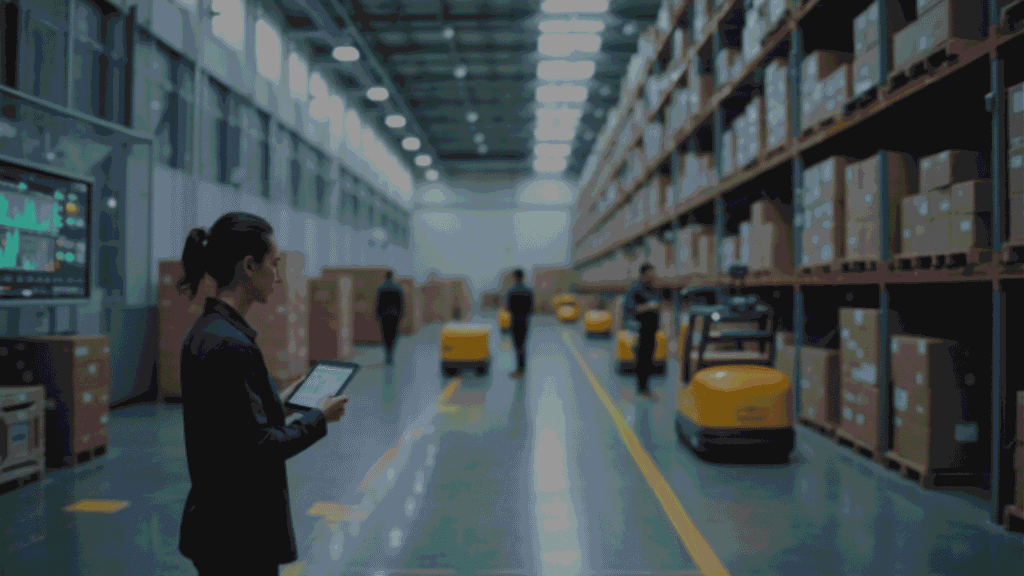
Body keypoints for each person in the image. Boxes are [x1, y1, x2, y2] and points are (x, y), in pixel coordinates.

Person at [174, 212, 349, 576]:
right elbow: (258, 447)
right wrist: (318, 418)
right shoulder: (230, 345)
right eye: (275, 264)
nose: (279, 276)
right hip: (239, 537)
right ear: (250, 266)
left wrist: (279, 401)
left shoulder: (208, 331)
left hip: (219, 525)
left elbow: (228, 423)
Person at [624, 263, 667, 400]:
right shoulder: (635, 290)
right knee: (642, 359)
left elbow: (659, 304)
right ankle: (642, 388)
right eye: (650, 273)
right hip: (640, 329)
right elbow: (631, 309)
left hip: (652, 330)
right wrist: (649, 307)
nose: (653, 275)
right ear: (643, 274)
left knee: (649, 358)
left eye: (654, 272)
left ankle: (645, 386)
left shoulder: (653, 289)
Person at [505, 268, 534, 378]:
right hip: (525, 321)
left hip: (515, 321)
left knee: (517, 347)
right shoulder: (529, 291)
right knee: (523, 346)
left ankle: (519, 371)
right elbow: (531, 309)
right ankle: (522, 370)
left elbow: (508, 308)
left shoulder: (511, 291)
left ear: (514, 277)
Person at [375, 270, 404, 365]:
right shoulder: (398, 288)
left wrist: (377, 314)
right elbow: (401, 303)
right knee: (394, 335)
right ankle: (391, 354)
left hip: (384, 316)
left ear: (385, 276)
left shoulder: (381, 288)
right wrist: (401, 315)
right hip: (395, 316)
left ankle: (387, 353)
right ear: (392, 276)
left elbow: (378, 303)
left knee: (385, 335)